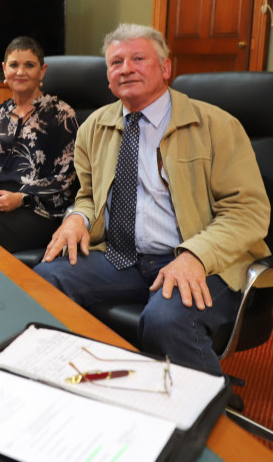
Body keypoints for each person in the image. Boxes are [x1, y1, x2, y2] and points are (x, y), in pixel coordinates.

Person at [34, 24, 270, 375]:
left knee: (165, 319)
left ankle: (206, 409)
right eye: (116, 62)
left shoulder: (217, 126)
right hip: (121, 258)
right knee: (41, 283)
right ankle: (78, 382)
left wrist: (195, 256)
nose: (126, 68)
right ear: (109, 77)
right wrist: (76, 219)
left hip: (202, 259)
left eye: (138, 58)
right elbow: (87, 196)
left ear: (165, 68)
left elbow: (247, 212)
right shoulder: (93, 128)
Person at [0, 37, 78, 252]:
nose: (20, 72)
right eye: (14, 65)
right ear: (4, 69)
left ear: (42, 71)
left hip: (38, 209)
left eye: (29, 65)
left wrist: (23, 198)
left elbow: (67, 176)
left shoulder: (61, 114)